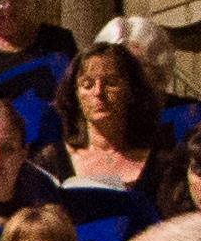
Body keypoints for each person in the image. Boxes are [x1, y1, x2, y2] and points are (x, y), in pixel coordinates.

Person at [50, 43, 185, 202]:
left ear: (131, 91)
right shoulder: (53, 160)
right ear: (75, 95)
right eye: (88, 85)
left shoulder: (162, 163)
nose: (98, 92)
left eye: (111, 82)